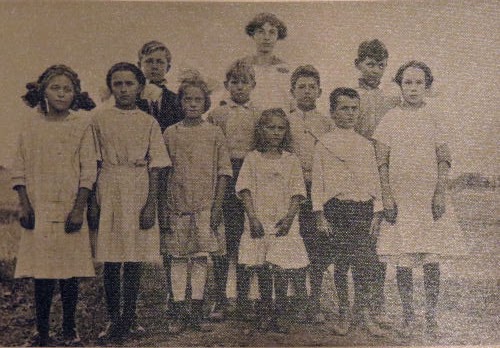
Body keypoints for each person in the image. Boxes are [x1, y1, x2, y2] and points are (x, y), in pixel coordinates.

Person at [373, 61, 466, 339]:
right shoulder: (390, 118)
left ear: (427, 86)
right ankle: (407, 314)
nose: (413, 88)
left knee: (430, 257)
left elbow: (444, 157)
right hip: (401, 198)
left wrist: (440, 192)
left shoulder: (435, 116)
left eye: (418, 83)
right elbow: (382, 162)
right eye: (407, 83)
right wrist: (387, 196)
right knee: (403, 258)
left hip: (427, 198)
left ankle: (431, 315)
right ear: (400, 85)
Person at [13, 64, 97, 347]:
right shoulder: (30, 124)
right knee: (42, 273)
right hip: (38, 207)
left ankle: (70, 329)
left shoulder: (81, 124)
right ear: (43, 91)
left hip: (69, 207)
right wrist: (24, 204)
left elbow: (88, 170)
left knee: (69, 272)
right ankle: (41, 331)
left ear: (76, 93)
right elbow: (19, 166)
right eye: (55, 88)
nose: (62, 94)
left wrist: (79, 208)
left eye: (67, 89)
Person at [92, 62, 171, 343]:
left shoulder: (147, 121)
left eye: (129, 84)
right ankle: (113, 318)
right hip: (110, 185)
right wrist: (93, 202)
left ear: (140, 87)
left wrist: (150, 205)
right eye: (118, 84)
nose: (124, 89)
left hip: (138, 187)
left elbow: (157, 165)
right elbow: (93, 162)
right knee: (112, 258)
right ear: (111, 87)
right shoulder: (99, 119)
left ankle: (131, 316)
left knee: (134, 257)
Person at [160, 74, 232, 334]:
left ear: (206, 103)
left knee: (201, 258)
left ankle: (197, 311)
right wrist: (164, 209)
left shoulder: (214, 133)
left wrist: (216, 207)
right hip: (177, 206)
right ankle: (178, 311)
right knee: (179, 259)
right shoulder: (170, 133)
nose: (192, 104)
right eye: (187, 99)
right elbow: (164, 173)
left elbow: (224, 172)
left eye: (198, 100)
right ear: (180, 102)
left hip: (205, 206)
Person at [311, 88, 386, 337]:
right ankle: (344, 311)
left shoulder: (366, 144)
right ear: (333, 112)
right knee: (342, 264)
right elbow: (318, 182)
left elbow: (374, 182)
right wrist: (320, 214)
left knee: (364, 263)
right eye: (344, 108)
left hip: (362, 210)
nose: (350, 113)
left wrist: (376, 214)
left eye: (354, 108)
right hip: (337, 209)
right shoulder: (324, 144)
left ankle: (362, 312)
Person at [237, 108, 309, 333]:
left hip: (283, 222)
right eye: (270, 127)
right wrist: (252, 218)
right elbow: (245, 189)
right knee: (262, 265)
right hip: (259, 220)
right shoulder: (252, 158)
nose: (276, 132)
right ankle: (265, 310)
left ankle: (280, 312)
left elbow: (298, 191)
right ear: (261, 130)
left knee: (281, 265)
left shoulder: (291, 160)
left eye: (280, 128)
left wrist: (289, 218)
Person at [207, 60, 260, 321]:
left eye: (245, 82)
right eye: (234, 82)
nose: (239, 87)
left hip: (248, 177)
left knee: (244, 237)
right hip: (224, 176)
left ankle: (243, 297)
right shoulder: (218, 113)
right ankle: (219, 298)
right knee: (222, 238)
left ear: (253, 85)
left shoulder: (258, 113)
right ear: (227, 85)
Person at [353, 39, 399, 327]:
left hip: (383, 171)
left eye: (381, 65)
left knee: (379, 240)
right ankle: (358, 304)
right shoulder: (350, 96)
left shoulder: (390, 98)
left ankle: (376, 301)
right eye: (370, 63)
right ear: (358, 64)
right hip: (357, 172)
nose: (376, 70)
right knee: (360, 240)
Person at [288, 65, 333, 322]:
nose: (306, 91)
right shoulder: (286, 120)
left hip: (318, 191)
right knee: (295, 242)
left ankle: (314, 300)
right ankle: (299, 296)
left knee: (317, 245)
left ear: (319, 91)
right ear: (292, 91)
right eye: (301, 87)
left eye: (311, 87)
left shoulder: (326, 123)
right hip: (293, 191)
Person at [239, 12, 292, 111]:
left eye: (272, 32)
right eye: (261, 32)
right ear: (253, 35)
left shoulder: (286, 69)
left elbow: (291, 103)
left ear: (278, 36)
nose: (266, 37)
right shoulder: (242, 66)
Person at [138, 40, 183, 132]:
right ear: (139, 65)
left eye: (160, 62)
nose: (154, 66)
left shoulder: (177, 101)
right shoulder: (132, 98)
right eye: (149, 61)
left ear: (168, 68)